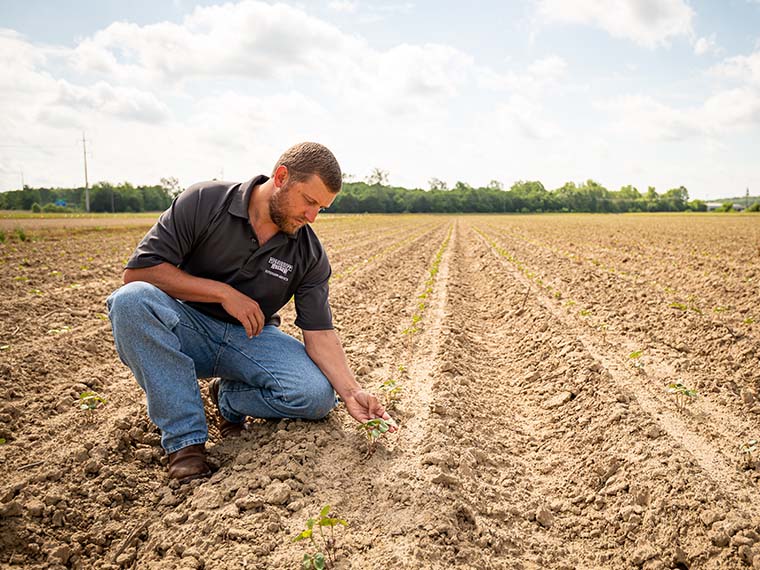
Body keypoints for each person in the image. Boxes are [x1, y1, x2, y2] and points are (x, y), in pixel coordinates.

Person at [106, 142, 393, 483]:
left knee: (315, 396)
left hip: (251, 340)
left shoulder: (308, 252)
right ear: (282, 177)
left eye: (322, 208)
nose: (312, 216)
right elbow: (140, 272)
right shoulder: (204, 201)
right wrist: (222, 293)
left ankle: (227, 398)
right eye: (309, 201)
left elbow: (319, 333)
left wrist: (351, 392)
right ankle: (186, 445)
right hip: (186, 330)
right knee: (130, 301)